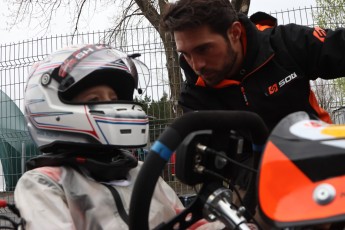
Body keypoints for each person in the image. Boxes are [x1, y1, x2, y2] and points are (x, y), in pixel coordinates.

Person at [161, 0, 345, 227]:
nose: (196, 64)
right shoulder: (195, 97)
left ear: (235, 33)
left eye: (203, 49)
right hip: (255, 181)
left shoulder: (284, 44)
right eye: (186, 54)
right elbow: (224, 164)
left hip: (323, 156)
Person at [14, 44, 186, 230]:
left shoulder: (142, 173)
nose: (112, 107)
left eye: (113, 100)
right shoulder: (44, 182)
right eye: (94, 99)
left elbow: (192, 223)